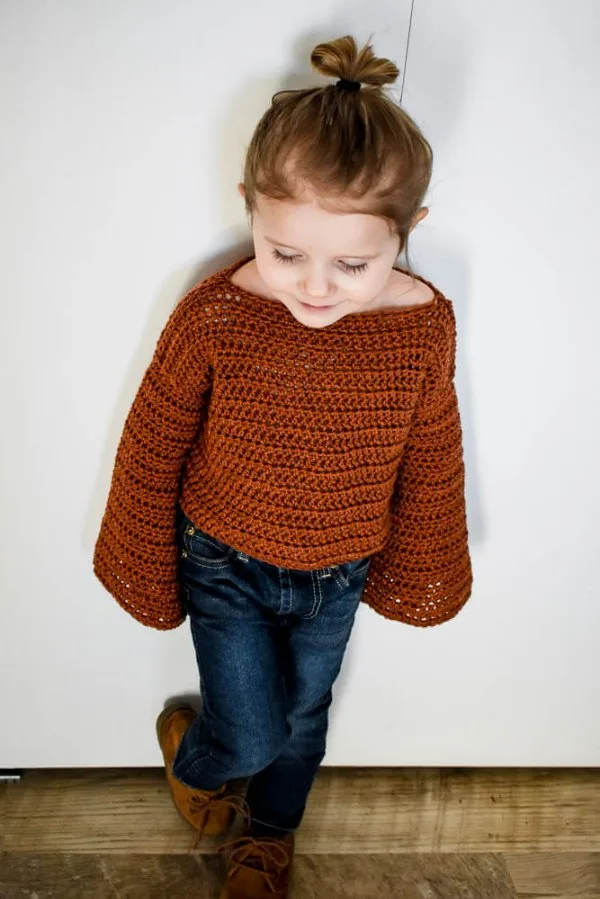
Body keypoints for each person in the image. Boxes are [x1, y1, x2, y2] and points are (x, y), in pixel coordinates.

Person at [93, 33, 473, 899]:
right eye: (286, 251)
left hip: (339, 570)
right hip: (222, 556)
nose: (316, 287)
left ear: (408, 232)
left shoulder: (422, 325)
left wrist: (425, 556)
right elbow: (155, 437)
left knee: (302, 724)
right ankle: (204, 749)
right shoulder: (218, 315)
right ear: (250, 211)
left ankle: (268, 838)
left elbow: (431, 443)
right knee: (255, 729)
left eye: (353, 264)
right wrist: (143, 554)